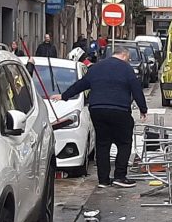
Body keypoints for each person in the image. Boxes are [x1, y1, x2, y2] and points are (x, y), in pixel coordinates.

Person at [50, 47, 148, 188]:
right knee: (124, 143)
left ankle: (103, 180)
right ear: (124, 56)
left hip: (97, 109)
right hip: (119, 110)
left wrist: (64, 96)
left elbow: (81, 84)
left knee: (102, 144)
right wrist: (142, 109)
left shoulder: (96, 68)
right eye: (128, 59)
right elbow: (136, 89)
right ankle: (119, 176)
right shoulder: (126, 69)